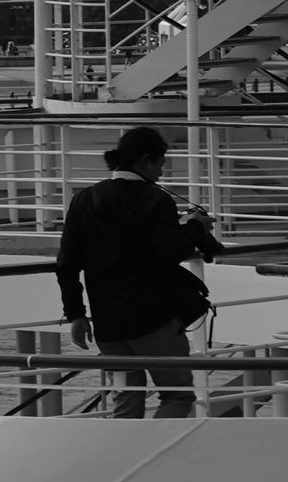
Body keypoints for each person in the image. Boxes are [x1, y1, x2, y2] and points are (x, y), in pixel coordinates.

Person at [55, 125, 221, 418]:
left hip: (108, 323)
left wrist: (76, 313)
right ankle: (157, 446)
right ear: (145, 161)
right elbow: (170, 252)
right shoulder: (155, 200)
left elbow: (67, 263)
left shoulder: (84, 199)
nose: (162, 172)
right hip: (152, 320)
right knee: (177, 395)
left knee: (127, 398)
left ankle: (128, 447)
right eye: (160, 163)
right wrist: (196, 227)